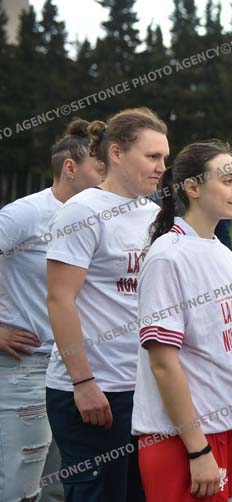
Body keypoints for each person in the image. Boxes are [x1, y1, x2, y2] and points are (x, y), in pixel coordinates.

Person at [45, 108, 169, 501]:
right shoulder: (82, 211)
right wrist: (82, 383)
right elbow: (60, 299)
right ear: (116, 153)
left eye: (164, 157)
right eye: (152, 156)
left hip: (142, 389)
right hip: (92, 390)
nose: (162, 167)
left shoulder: (156, 214)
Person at [133, 140, 232, 502]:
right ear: (192, 187)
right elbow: (163, 364)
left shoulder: (222, 253)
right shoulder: (167, 258)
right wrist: (197, 449)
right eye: (227, 181)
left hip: (231, 428)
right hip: (183, 439)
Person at [0, 119, 104, 502]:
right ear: (70, 167)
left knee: (61, 484)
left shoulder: (99, 217)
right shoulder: (25, 214)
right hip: (25, 364)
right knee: (17, 483)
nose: (106, 175)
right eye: (99, 167)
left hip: (78, 368)